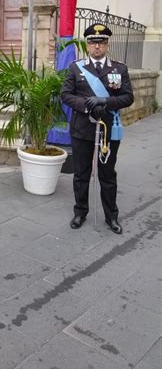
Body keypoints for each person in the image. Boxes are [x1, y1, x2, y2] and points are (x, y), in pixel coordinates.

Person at [61, 23, 134, 234]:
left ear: (107, 45)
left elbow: (128, 97)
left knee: (108, 174)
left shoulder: (119, 69)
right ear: (87, 44)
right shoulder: (76, 68)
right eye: (93, 42)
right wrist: (86, 105)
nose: (97, 47)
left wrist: (104, 100)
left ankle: (111, 216)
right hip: (82, 128)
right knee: (81, 173)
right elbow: (66, 95)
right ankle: (80, 212)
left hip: (109, 129)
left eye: (101, 43)